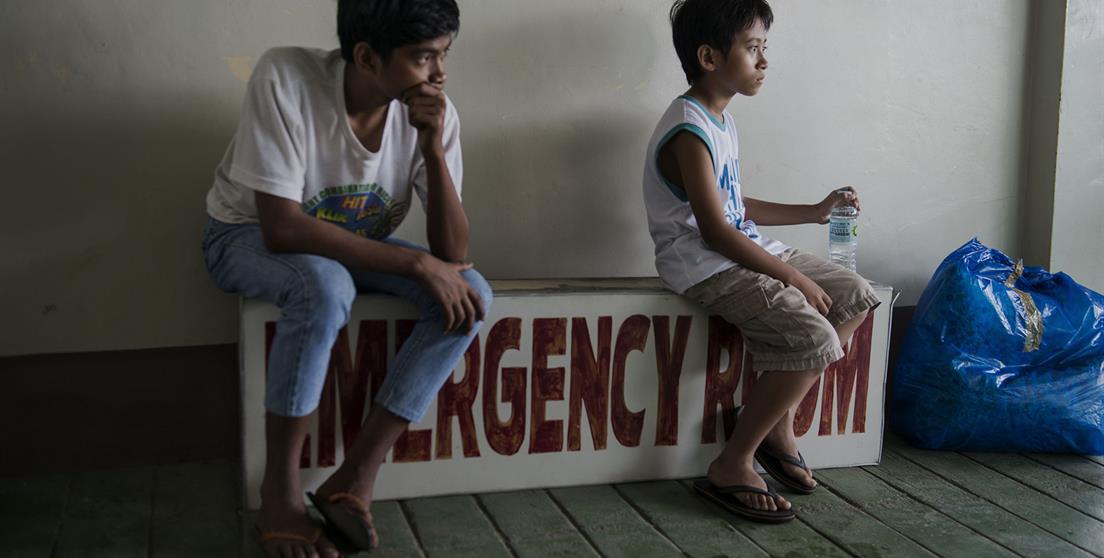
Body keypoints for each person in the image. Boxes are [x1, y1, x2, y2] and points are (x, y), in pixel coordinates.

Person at [201, 0, 490, 554]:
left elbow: (453, 252)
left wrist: (431, 149)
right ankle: (281, 494)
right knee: (324, 286)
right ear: (366, 56)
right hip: (242, 236)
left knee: (472, 293)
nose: (440, 73)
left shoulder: (432, 113)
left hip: (348, 246)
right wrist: (411, 262)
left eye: (444, 54)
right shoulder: (285, 77)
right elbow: (282, 227)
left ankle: (353, 478)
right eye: (423, 57)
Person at [643, 0, 879, 523]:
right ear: (709, 56)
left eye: (763, 48)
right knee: (816, 337)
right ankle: (733, 460)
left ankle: (777, 420)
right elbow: (714, 230)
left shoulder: (719, 119)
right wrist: (791, 276)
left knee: (858, 296)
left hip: (740, 247)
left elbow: (734, 206)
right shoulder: (688, 129)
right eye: (753, 49)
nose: (764, 61)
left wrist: (816, 212)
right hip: (705, 263)